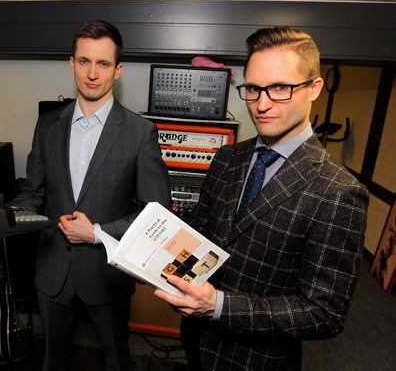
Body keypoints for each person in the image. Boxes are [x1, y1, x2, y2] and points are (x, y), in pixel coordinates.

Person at [154, 27, 369, 370]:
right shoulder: (227, 159)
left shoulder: (338, 192)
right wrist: (155, 259)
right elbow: (199, 236)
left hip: (258, 359)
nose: (262, 104)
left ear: (314, 88)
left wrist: (220, 305)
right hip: (196, 340)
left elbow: (324, 314)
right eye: (253, 89)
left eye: (281, 87)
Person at [10, 20, 171, 371]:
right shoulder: (48, 125)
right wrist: (4, 218)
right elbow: (32, 195)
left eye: (103, 64)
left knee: (117, 360)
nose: (92, 73)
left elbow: (156, 213)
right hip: (52, 272)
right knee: (54, 360)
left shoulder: (140, 132)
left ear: (118, 70)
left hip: (107, 276)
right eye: (84, 61)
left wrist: (96, 232)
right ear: (72, 63)